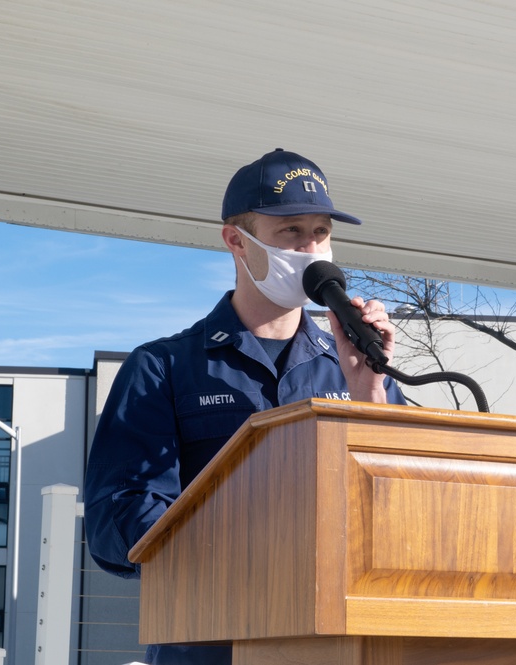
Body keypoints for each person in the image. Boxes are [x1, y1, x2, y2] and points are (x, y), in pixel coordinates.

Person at [84, 149, 406, 665]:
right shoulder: (163, 368)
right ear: (237, 241)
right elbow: (112, 523)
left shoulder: (359, 370)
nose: (311, 249)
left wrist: (369, 392)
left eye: (321, 232)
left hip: (337, 647)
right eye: (291, 232)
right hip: (209, 646)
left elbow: (400, 512)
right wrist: (256, 545)